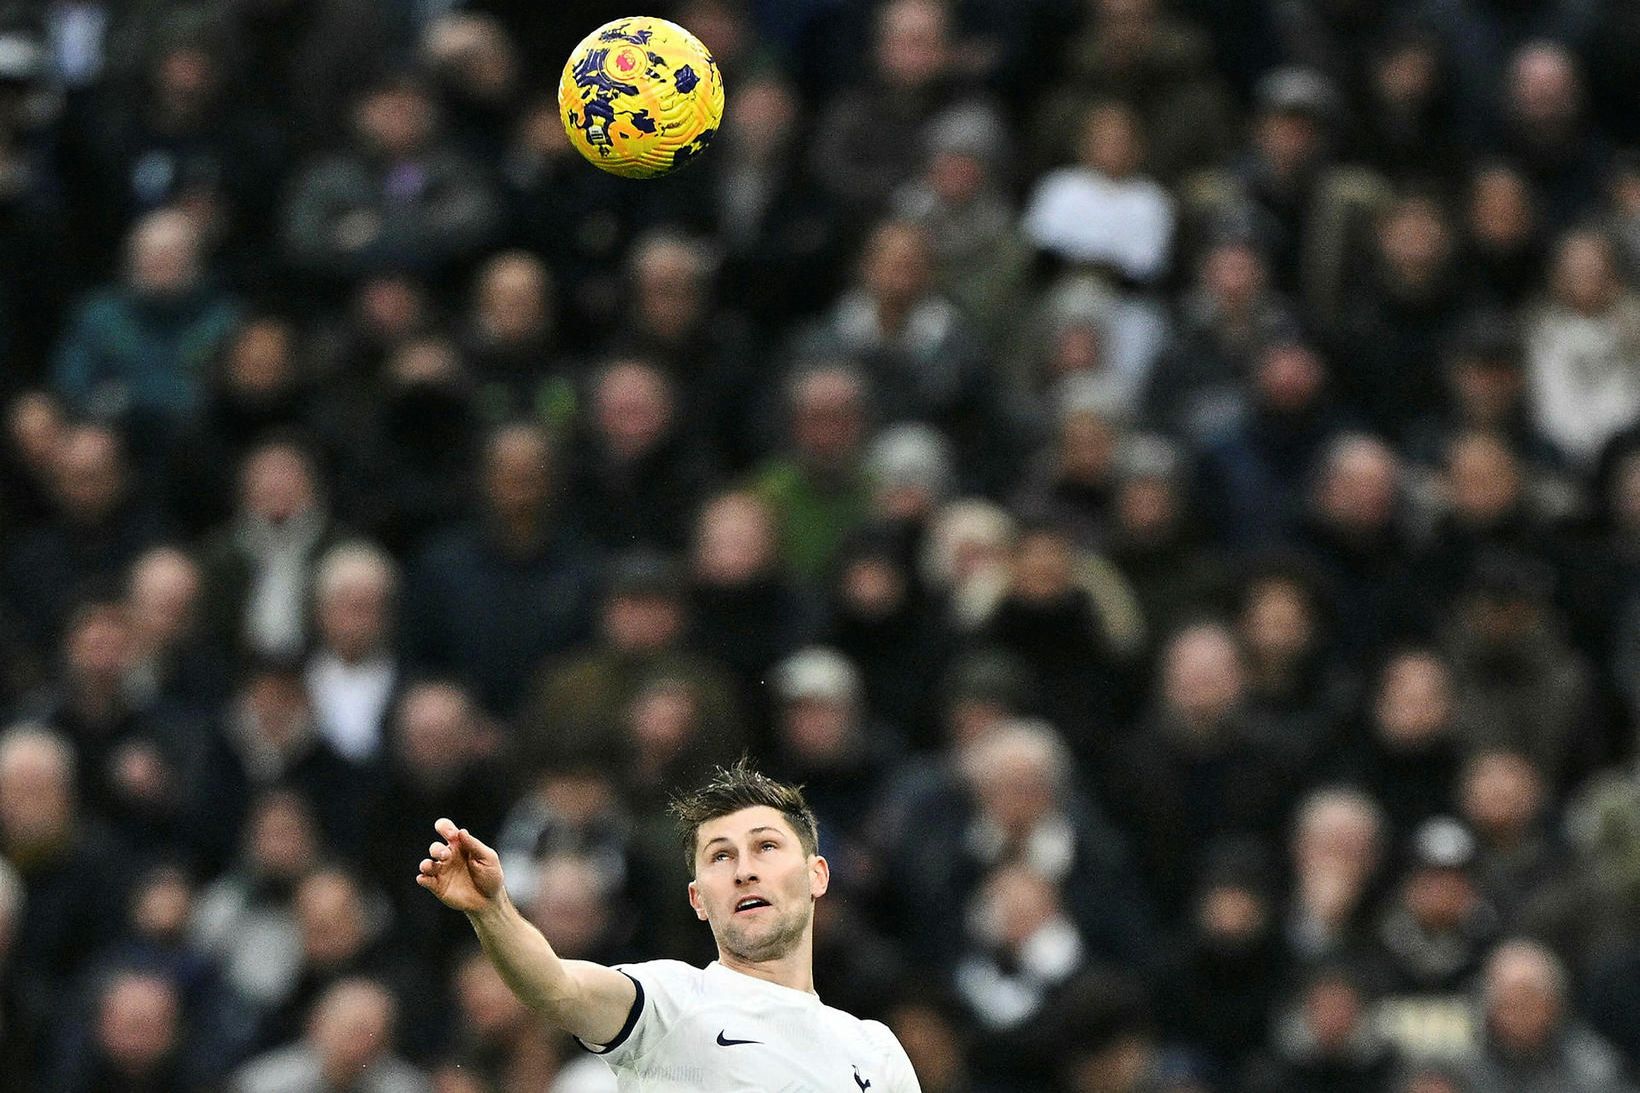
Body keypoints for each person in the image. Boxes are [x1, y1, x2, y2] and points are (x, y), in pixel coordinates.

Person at [418, 759, 920, 1090]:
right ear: (698, 900)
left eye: (766, 846)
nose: (744, 870)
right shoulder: (671, 999)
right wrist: (493, 911)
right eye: (721, 856)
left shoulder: (875, 1050)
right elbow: (556, 987)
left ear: (817, 875)